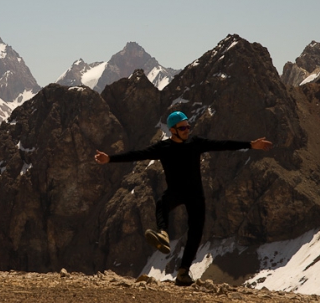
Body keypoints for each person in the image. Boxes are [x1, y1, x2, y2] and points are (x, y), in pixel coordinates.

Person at [94, 111, 273, 286]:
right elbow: (137, 154)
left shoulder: (196, 143)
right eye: (183, 127)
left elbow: (222, 144)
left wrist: (251, 144)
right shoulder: (163, 148)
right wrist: (109, 159)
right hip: (177, 192)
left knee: (195, 233)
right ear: (173, 130)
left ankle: (183, 272)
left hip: (195, 194)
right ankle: (163, 233)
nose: (187, 130)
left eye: (188, 126)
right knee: (161, 204)